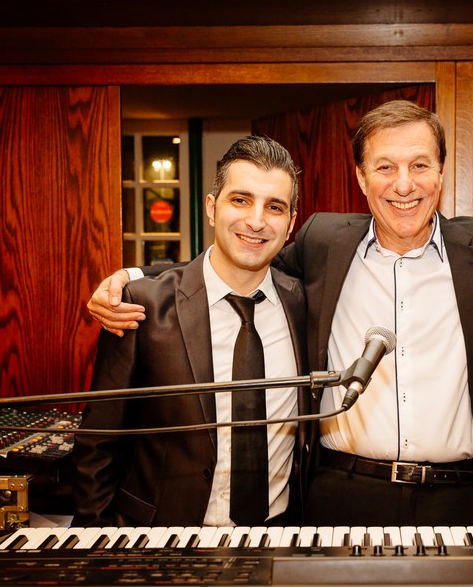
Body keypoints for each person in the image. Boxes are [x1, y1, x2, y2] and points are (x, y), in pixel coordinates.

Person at [87, 100, 473, 527]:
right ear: (361, 178)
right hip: (338, 496)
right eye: (385, 167)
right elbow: (239, 256)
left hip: (461, 501)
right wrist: (138, 277)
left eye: (420, 165)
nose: (404, 184)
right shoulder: (323, 242)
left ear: (441, 173)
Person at [72, 136, 313, 528]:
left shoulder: (304, 304)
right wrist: (97, 542)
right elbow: (98, 441)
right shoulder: (143, 307)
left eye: (274, 207)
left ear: (291, 224)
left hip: (279, 533)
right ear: (212, 208)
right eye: (241, 200)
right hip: (161, 537)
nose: (256, 221)